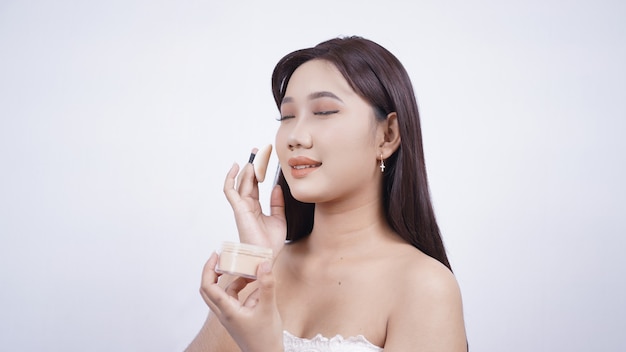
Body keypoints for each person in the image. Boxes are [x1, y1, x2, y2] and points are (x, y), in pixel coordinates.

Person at [186, 36, 467, 352]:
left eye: (324, 111)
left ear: (387, 135)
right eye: (287, 116)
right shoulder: (264, 266)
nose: (295, 136)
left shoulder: (424, 286)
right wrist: (251, 263)